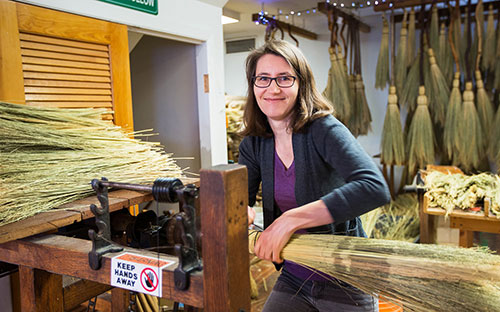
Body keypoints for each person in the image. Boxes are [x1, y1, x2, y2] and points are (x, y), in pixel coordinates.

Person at [238, 40, 391, 312]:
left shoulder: (323, 129)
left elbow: (374, 187)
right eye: (263, 79)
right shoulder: (254, 143)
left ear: (301, 83)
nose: (273, 88)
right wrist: (240, 213)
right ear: (253, 85)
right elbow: (242, 203)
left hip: (345, 276)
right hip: (295, 274)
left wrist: (290, 219)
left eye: (284, 78)